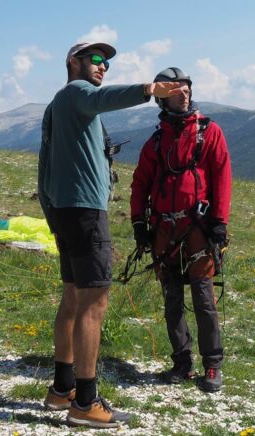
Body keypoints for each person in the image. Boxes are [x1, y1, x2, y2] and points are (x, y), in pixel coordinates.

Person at [37, 42, 185, 429]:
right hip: (85, 211)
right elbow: (104, 98)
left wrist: (52, 211)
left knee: (72, 297)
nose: (103, 66)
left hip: (66, 211)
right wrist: (148, 90)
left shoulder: (57, 105)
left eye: (106, 62)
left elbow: (45, 162)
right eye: (96, 60)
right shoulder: (76, 93)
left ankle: (61, 389)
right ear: (73, 62)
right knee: (94, 304)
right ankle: (86, 403)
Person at [129, 67, 232, 393]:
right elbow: (140, 182)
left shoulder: (209, 132)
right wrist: (138, 222)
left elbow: (222, 177)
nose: (184, 92)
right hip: (164, 230)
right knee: (172, 301)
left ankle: (212, 365)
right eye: (176, 89)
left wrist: (219, 222)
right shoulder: (157, 140)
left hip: (199, 228)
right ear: (162, 97)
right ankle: (182, 362)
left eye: (186, 87)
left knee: (203, 299)